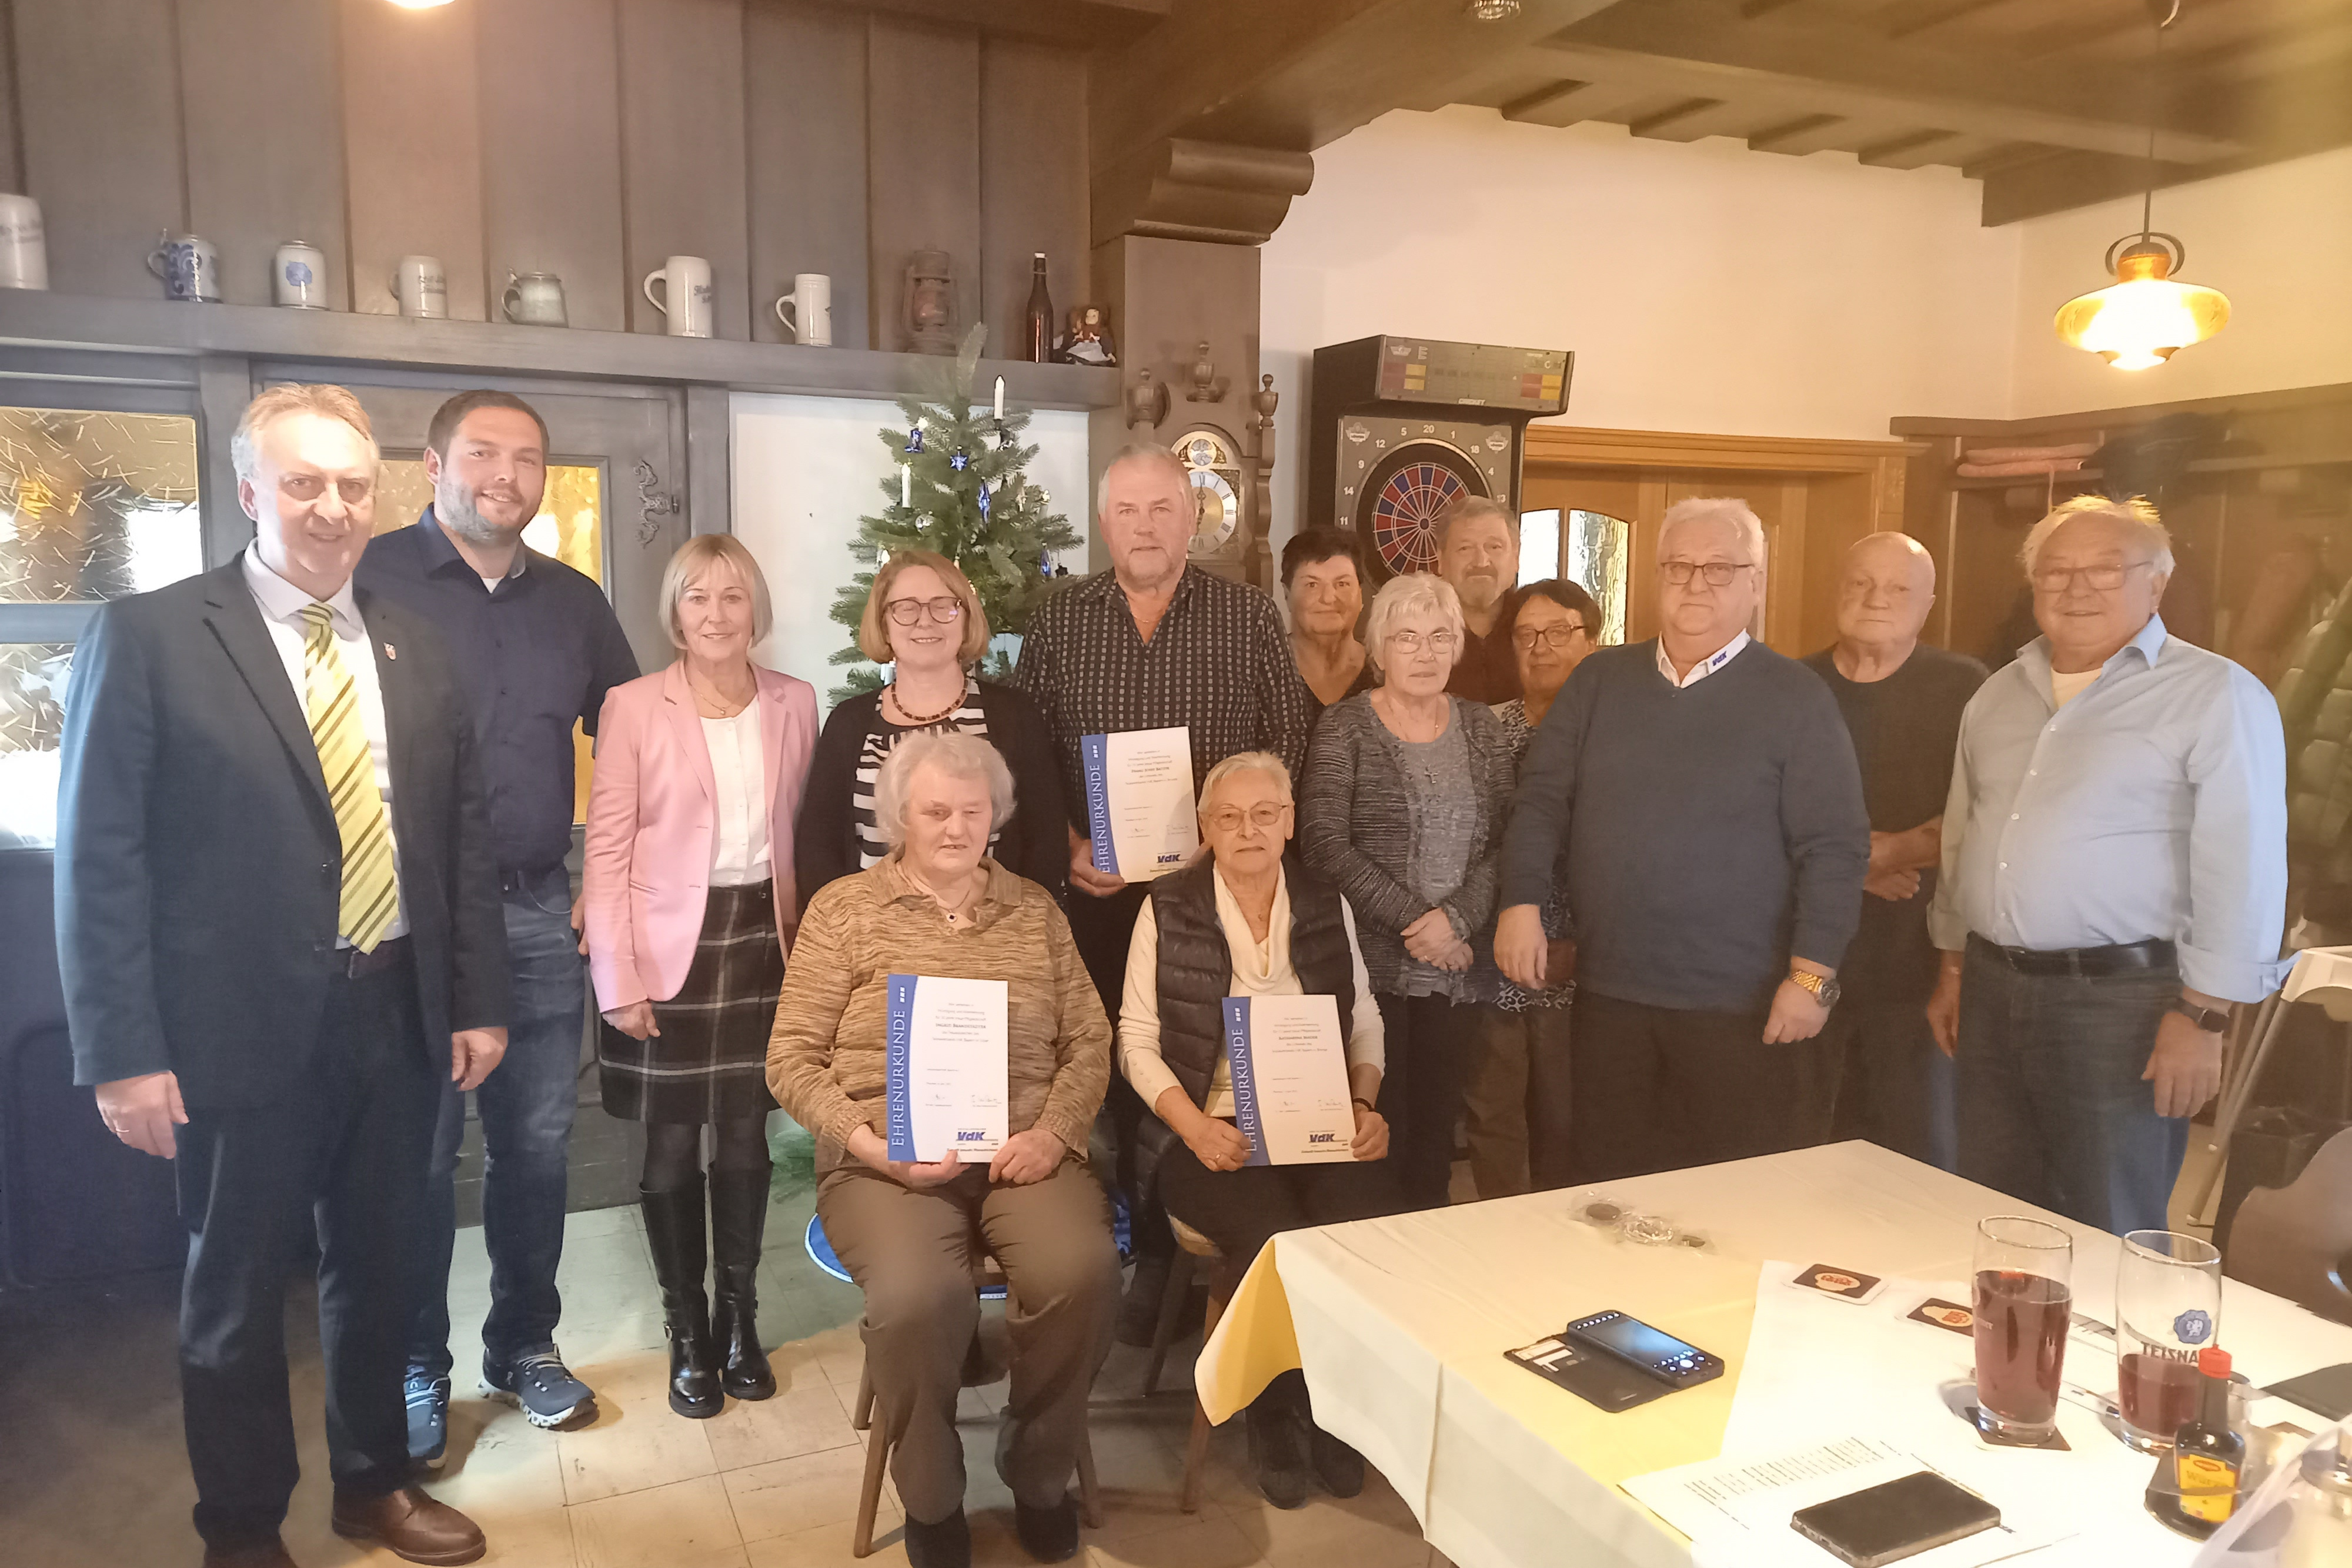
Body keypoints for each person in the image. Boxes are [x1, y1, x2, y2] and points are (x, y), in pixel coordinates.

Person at [55, 385, 506, 1567]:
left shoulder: (415, 640)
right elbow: (100, 857)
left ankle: (373, 1484)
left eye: (352, 485)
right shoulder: (152, 634)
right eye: (302, 482)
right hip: (226, 1036)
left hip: (394, 1013)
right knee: (235, 1294)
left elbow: (455, 841)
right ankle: (242, 1526)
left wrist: (472, 999)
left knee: (385, 1265)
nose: (331, 507)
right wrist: (122, 1052)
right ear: (250, 490)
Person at [356, 390, 640, 1460]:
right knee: (417, 1157)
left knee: (536, 1147)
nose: (506, 474)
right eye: (484, 452)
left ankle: (523, 1345)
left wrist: (599, 879)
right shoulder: (367, 578)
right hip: (402, 920)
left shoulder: (574, 601)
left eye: (527, 458)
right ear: (434, 465)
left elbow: (636, 738)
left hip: (532, 902)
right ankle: (415, 1364)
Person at [768, 732, 1117, 1568]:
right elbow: (789, 1057)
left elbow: (1090, 1038)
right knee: (920, 1294)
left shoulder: (1035, 909)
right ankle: (930, 1495)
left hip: (1021, 1147)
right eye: (935, 811)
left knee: (1081, 1270)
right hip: (883, 1157)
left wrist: (1054, 1131)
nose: (957, 827)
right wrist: (871, 1144)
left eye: (973, 810)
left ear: (995, 814)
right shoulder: (844, 909)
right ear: (899, 816)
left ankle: (1037, 1470)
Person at [1926, 495, 2288, 1236]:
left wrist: (2205, 1017)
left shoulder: (2214, 695)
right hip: (1993, 990)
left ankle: (2107, 1356)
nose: (2076, 586)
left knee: (2108, 1219)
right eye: (2056, 571)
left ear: (2155, 584)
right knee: (1992, 1212)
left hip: (2125, 1002)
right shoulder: (1996, 696)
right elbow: (1964, 836)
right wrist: (1954, 968)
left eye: (2104, 569)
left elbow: (2243, 862)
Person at [1013, 441, 1314, 1330]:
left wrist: (1237, 844)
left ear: (1193, 519)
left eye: (1163, 509)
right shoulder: (1060, 620)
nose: (1145, 526)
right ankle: (1147, 1251)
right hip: (1102, 897)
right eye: (1128, 511)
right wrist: (1067, 840)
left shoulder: (1248, 615)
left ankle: (1229, 1231)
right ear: (1105, 523)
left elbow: (1287, 739)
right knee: (1114, 1066)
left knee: (1209, 1056)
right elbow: (1030, 752)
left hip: (1217, 892)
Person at [1496, 497, 1869, 1181]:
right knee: (1607, 1192)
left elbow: (1835, 848)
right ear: (1657, 577)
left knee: (1729, 1197)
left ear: (1755, 583)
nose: (1696, 583)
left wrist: (1811, 976)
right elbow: (1541, 800)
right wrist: (1519, 903)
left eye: (1720, 568)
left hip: (1740, 1006)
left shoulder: (1796, 698)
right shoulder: (1599, 681)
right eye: (1679, 566)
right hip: (1612, 995)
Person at [1120, 751, 1398, 1509]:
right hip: (1207, 1130)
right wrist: (1193, 1127)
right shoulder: (1166, 905)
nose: (1249, 830)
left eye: (1264, 814)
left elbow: (1364, 1017)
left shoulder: (1322, 896)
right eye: (1230, 817)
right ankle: (1277, 1412)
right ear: (1206, 828)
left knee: (1356, 1221)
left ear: (1288, 821)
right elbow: (1135, 1043)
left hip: (1316, 1120)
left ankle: (1334, 1409)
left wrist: (1365, 1107)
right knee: (1272, 1234)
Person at [583, 536, 817, 1419]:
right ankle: (686, 1329)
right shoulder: (634, 706)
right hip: (664, 946)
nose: (716, 614)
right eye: (696, 598)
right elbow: (606, 848)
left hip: (766, 937)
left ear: (755, 607)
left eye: (732, 596)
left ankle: (738, 1319)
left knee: (748, 1133)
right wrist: (619, 975)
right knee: (675, 1142)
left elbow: (809, 829)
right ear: (674, 612)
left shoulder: (795, 700)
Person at [1301, 573, 1516, 1210]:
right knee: (1374, 1134)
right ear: (1379, 649)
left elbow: (1510, 840)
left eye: (1438, 637)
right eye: (1406, 638)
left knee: (1435, 1139)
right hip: (1372, 971)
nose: (1423, 653)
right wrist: (1417, 922)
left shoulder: (1482, 728)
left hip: (1460, 969)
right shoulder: (1345, 727)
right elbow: (1322, 842)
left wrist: (1456, 922)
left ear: (1456, 648)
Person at [1801, 534, 1984, 1171]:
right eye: (1860, 583)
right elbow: (1749, 811)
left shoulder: (1968, 688)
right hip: (1804, 958)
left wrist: (1900, 848)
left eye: (1897, 588)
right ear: (1837, 592)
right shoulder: (1793, 686)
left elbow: (1990, 809)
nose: (1876, 599)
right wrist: (1856, 864)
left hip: (1924, 962)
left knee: (1915, 1149)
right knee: (1805, 1146)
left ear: (1927, 602)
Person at [796, 549, 1065, 904]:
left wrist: (1014, 931)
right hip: (873, 939)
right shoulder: (849, 723)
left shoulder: (1014, 716)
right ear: (884, 624)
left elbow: (1046, 840)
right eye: (905, 608)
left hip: (990, 935)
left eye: (944, 606)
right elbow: (818, 846)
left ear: (966, 619)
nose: (926, 621)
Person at [1478, 579, 1601, 1193]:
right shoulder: (1483, 730)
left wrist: (1584, 941)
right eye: (1526, 635)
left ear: (1591, 640)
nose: (1541, 647)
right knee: (1493, 1123)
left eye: (1558, 632)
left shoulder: (1612, 734)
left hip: (1579, 968)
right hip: (1490, 958)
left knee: (1567, 1124)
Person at [1435, 496, 1522, 704]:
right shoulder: (1415, 631)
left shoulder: (1537, 628)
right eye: (1465, 548)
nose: (1481, 562)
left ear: (1516, 557)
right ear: (1440, 559)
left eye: (1495, 547)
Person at [1281, 527, 1375, 710]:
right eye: (1312, 584)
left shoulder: (1384, 671)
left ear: (1361, 596)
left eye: (1342, 584)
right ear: (1287, 596)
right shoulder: (1263, 673)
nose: (1329, 597)